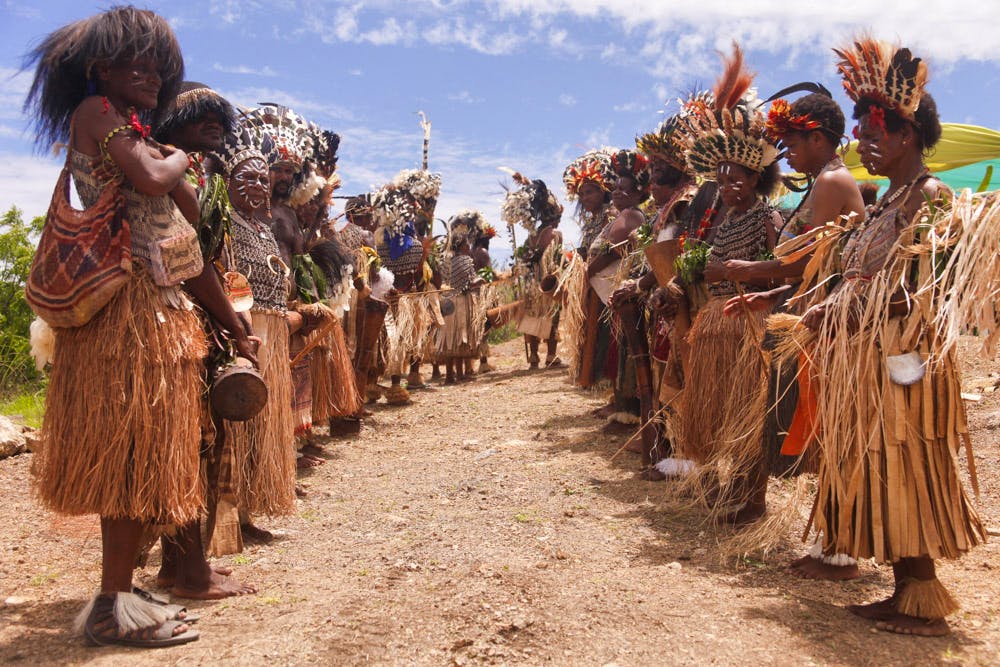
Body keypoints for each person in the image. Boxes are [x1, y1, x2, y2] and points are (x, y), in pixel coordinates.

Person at [24, 6, 261, 647]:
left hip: (159, 316)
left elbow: (185, 249)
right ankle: (110, 606)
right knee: (127, 456)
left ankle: (124, 595)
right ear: (102, 69)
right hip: (120, 317)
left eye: (161, 68)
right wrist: (178, 159)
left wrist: (235, 330)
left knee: (145, 458)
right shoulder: (98, 114)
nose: (154, 77)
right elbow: (157, 178)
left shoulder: (135, 132)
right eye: (140, 65)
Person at [766, 38, 984, 636]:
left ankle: (922, 592)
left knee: (907, 461)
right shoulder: (889, 200)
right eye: (860, 130)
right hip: (866, 356)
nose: (864, 140)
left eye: (875, 131)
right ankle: (905, 590)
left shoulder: (931, 197)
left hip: (904, 361)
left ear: (910, 134)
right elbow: (858, 277)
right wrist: (830, 306)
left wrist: (840, 309)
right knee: (880, 464)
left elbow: (923, 290)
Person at [721, 90, 866, 574]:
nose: (787, 153)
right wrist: (770, 293)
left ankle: (840, 548)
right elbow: (809, 264)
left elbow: (807, 261)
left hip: (827, 325)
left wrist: (755, 271)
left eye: (793, 142)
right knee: (809, 423)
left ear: (820, 138)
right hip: (807, 317)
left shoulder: (832, 182)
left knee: (825, 427)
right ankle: (833, 542)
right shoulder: (821, 181)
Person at [662, 45, 782, 524]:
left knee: (747, 412)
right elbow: (707, 264)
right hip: (714, 324)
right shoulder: (721, 219)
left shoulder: (766, 216)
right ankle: (725, 487)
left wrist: (735, 272)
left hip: (747, 323)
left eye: (739, 177)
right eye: (723, 176)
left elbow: (777, 268)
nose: (730, 184)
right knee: (718, 412)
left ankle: (753, 501)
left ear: (757, 178)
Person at [151, 81, 258, 597]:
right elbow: (185, 260)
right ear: (171, 125)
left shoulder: (202, 175)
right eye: (199, 116)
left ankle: (179, 564)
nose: (213, 123)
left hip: (198, 316)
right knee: (189, 442)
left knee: (199, 441)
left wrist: (236, 318)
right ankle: (187, 570)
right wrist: (233, 325)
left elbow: (210, 260)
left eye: (219, 116)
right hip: (173, 318)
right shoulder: (171, 170)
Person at [218, 126, 298, 547]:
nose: (257, 188)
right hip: (242, 333)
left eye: (262, 181)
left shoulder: (264, 228)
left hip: (272, 332)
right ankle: (225, 519)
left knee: (263, 424)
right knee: (237, 423)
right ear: (227, 183)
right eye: (246, 179)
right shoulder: (223, 224)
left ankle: (248, 511)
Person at [562, 150, 616, 393]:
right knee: (593, 331)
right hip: (592, 284)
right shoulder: (591, 222)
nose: (585, 197)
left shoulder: (612, 215)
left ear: (603, 191)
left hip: (609, 284)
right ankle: (597, 384)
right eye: (582, 193)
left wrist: (587, 271)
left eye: (590, 191)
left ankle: (609, 387)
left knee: (607, 334)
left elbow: (612, 251)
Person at [502, 175, 564, 369]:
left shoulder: (531, 236)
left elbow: (524, 256)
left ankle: (534, 357)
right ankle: (551, 355)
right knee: (550, 315)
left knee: (532, 315)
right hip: (546, 280)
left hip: (530, 281)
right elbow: (554, 259)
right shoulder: (555, 234)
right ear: (554, 216)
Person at [436, 211, 487, 383]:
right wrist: (480, 280)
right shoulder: (466, 260)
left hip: (446, 302)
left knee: (449, 339)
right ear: (461, 245)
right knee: (459, 337)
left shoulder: (445, 261)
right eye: (466, 243)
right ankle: (460, 373)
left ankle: (450, 375)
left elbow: (441, 280)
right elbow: (471, 282)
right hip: (460, 303)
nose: (468, 246)